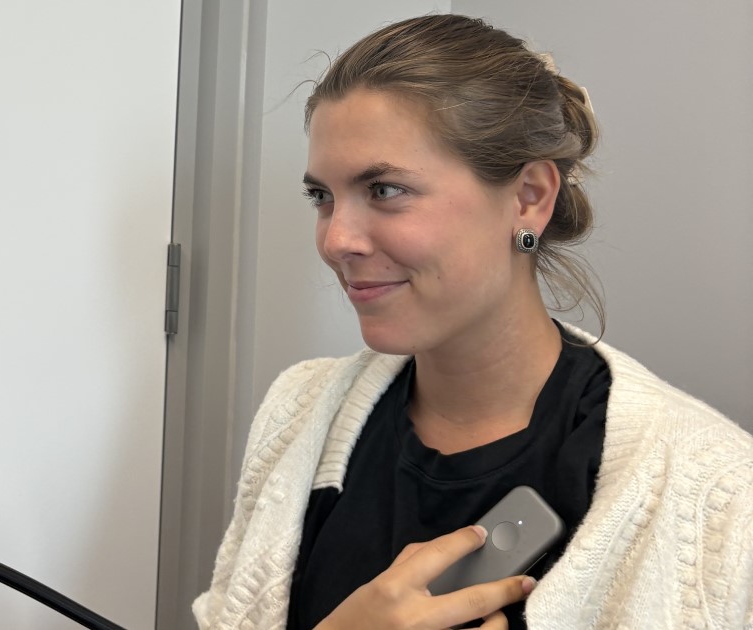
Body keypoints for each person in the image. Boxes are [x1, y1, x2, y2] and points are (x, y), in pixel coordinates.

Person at [194, 14, 753, 630]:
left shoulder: (714, 493)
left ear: (529, 197)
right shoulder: (295, 412)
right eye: (320, 196)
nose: (336, 240)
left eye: (383, 190)